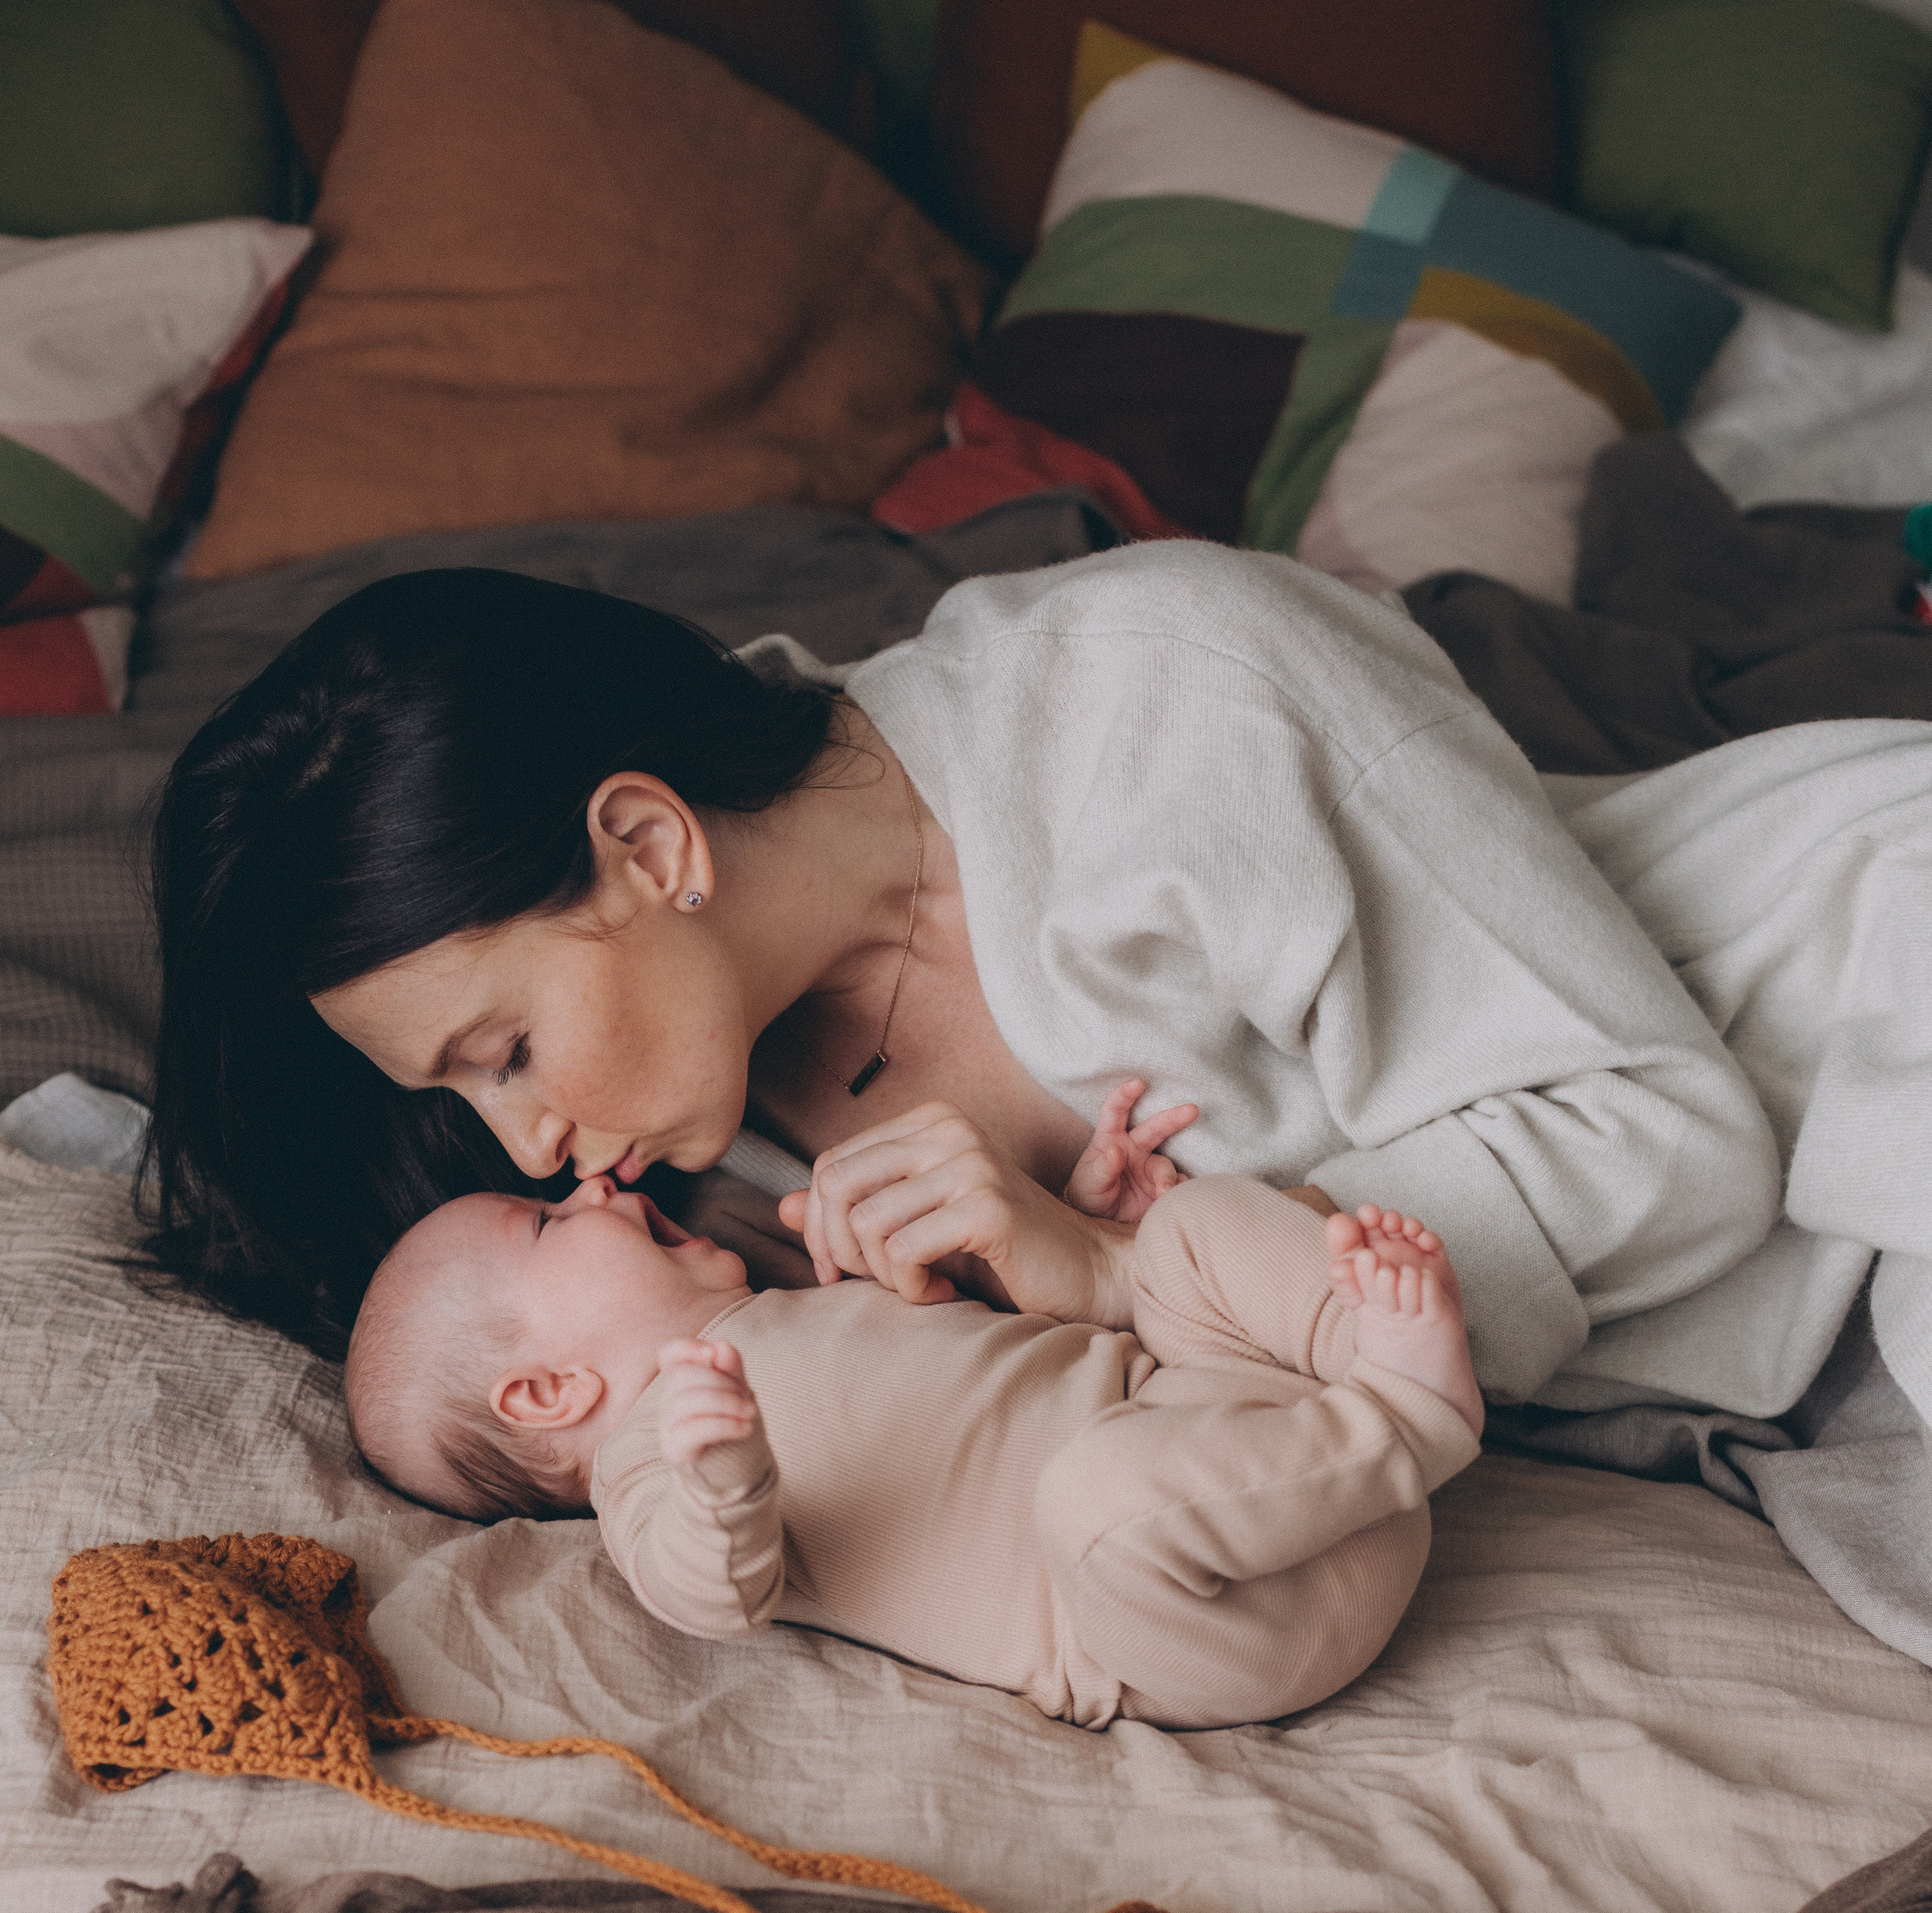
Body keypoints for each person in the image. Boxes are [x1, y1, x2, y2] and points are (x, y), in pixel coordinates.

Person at [146, 544, 1781, 1400]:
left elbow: (1671, 1138)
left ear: (647, 845)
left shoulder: (1181, 698)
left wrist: (1139, 1281)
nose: (525, 1150)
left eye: (501, 1053)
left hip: (1832, 1033)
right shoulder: (707, 1190)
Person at [343, 1096, 1483, 1730]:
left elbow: (1003, 1345)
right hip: (1202, 1614)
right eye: (547, 1223)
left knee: (1190, 1236)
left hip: (1231, 1432)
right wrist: (719, 1474)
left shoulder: (799, 1303)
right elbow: (708, 1593)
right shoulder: (652, 1465)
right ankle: (1414, 1412)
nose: (590, 1186)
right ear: (550, 1394)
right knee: (1094, 1498)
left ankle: (1363, 1336)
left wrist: (1096, 1236)